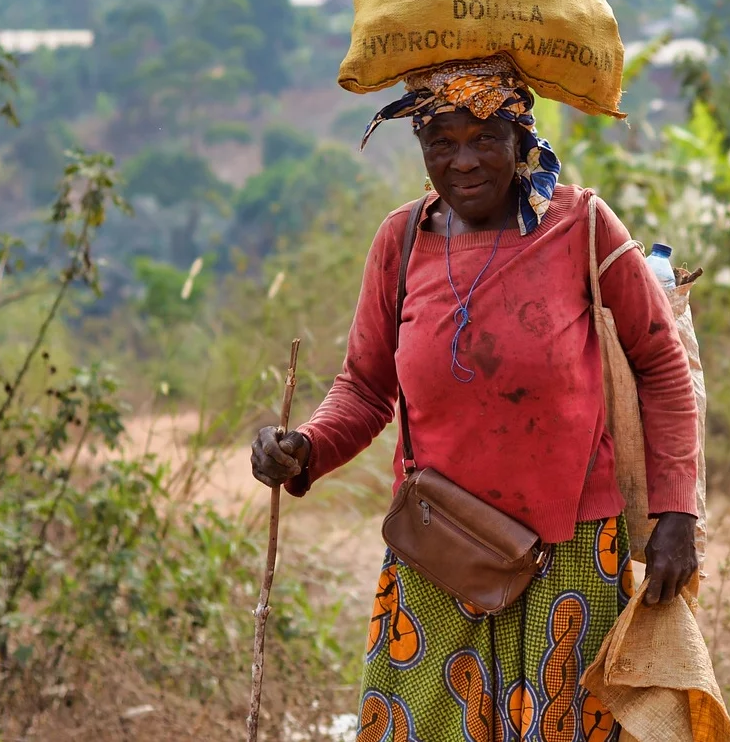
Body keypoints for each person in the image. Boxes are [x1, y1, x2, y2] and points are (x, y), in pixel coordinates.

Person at [249, 54, 700, 742]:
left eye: (485, 137)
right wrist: (304, 447)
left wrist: (675, 514)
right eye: (442, 141)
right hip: (438, 550)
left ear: (522, 141)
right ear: (420, 148)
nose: (464, 161)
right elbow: (367, 389)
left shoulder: (580, 226)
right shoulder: (400, 242)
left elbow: (660, 367)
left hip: (571, 546)